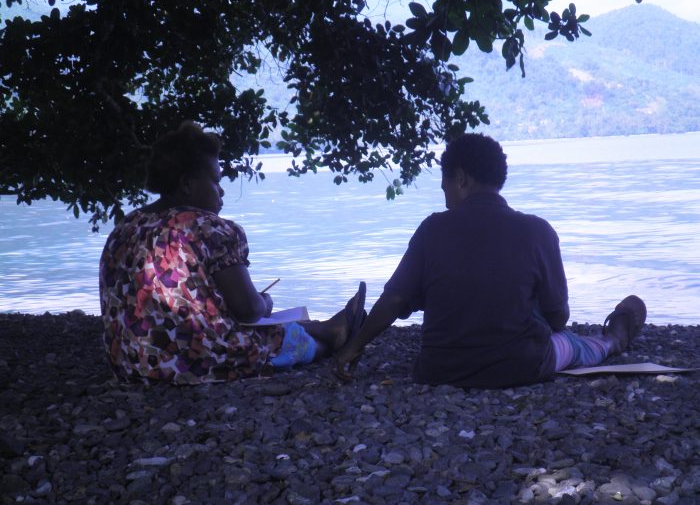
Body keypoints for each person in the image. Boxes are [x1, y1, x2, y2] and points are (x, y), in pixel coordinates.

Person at [334, 133, 646, 388]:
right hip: (521, 368)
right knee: (575, 345)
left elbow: (395, 299)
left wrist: (354, 346)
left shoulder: (433, 229)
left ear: (460, 179)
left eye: (444, 186)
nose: (444, 196)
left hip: (438, 371)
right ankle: (614, 340)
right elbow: (558, 319)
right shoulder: (538, 232)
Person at [99, 121, 366, 384]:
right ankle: (330, 342)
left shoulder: (125, 227)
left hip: (129, 362)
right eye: (215, 180)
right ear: (188, 185)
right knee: (274, 339)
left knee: (238, 325)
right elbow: (248, 311)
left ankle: (330, 328)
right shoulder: (209, 228)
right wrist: (265, 302)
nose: (221, 189)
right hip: (188, 364)